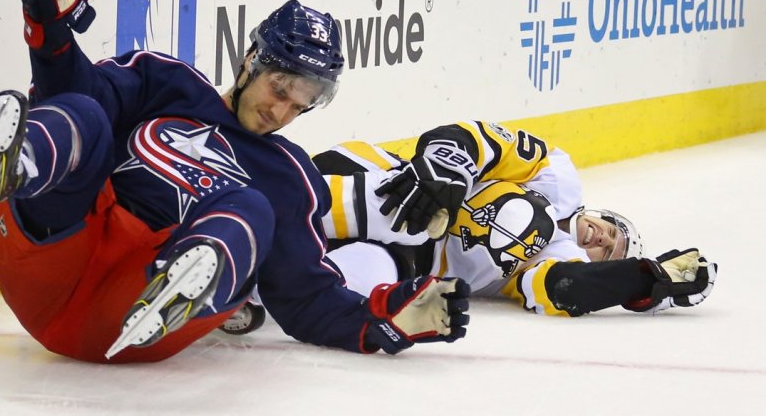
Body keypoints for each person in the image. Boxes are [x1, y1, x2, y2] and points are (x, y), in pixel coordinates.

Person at [0, 0, 469, 363]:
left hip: (128, 317)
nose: (280, 111)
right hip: (50, 254)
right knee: (82, 113)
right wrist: (50, 26)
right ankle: (15, 164)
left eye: (300, 105)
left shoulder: (290, 177)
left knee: (251, 208)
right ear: (250, 62)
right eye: (280, 88)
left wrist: (385, 319)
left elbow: (306, 299)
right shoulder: (165, 82)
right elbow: (72, 92)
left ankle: (183, 282)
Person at [221, 120, 717, 333]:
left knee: (361, 279)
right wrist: (445, 165)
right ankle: (211, 206)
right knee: (300, 203)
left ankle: (241, 286)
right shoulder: (558, 175)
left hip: (406, 259)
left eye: (610, 251)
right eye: (612, 229)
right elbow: (476, 138)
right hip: (393, 182)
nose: (604, 240)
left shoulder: (553, 258)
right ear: (600, 211)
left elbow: (570, 288)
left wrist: (645, 278)